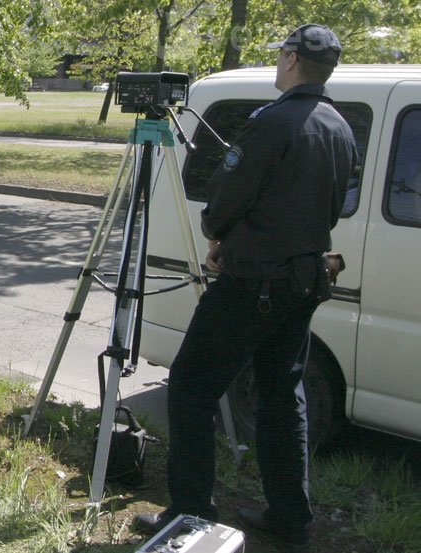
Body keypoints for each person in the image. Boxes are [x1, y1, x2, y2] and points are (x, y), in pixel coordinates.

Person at [133, 24, 358, 551]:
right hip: (305, 280)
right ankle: (290, 519)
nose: (279, 62)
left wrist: (218, 235)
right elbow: (332, 207)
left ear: (293, 61)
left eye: (282, 54)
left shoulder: (273, 123)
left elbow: (228, 198)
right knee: (284, 397)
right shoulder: (339, 126)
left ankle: (190, 515)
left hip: (252, 282)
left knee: (190, 387)